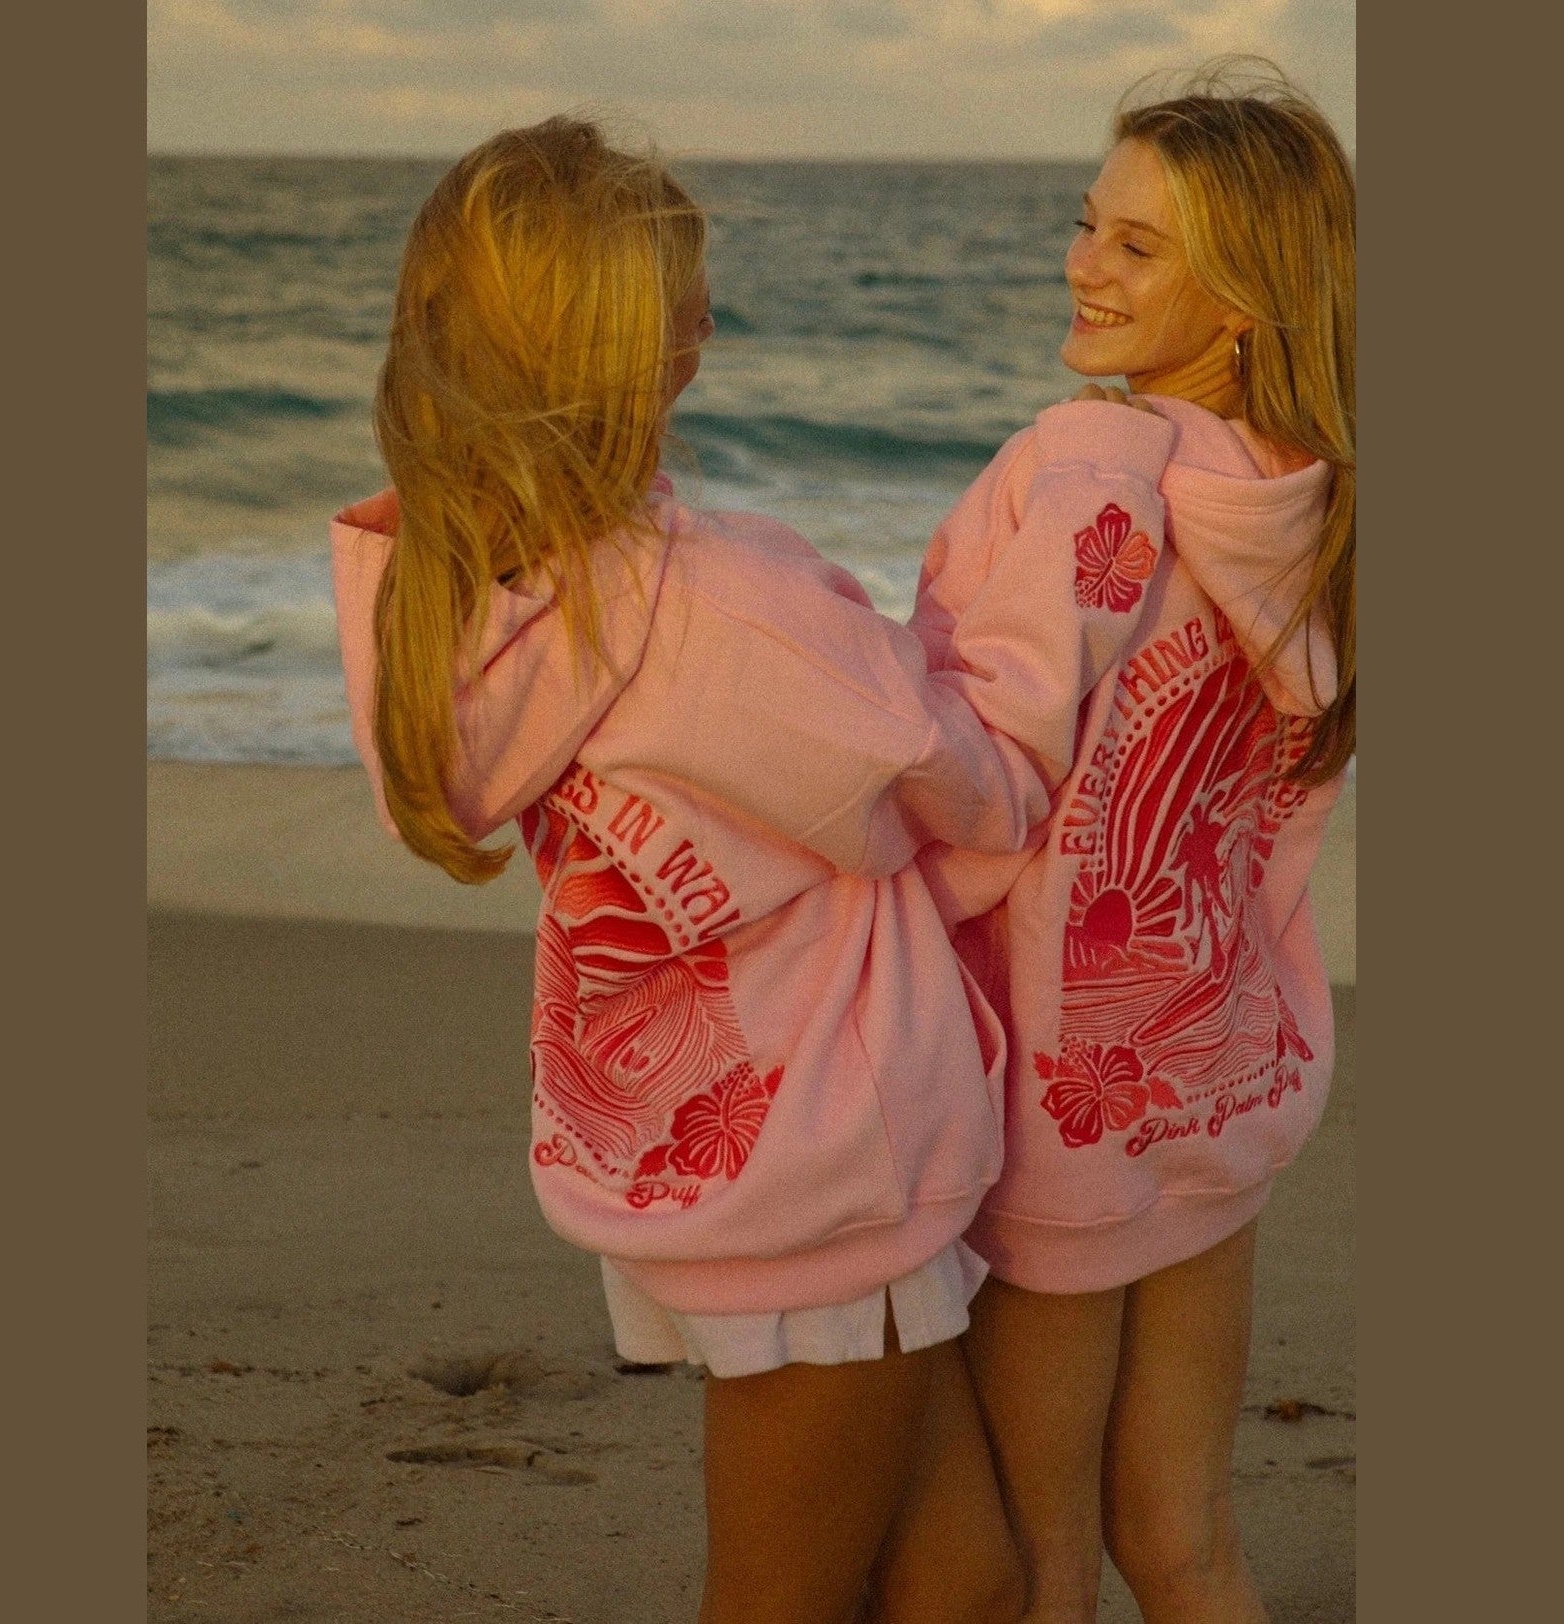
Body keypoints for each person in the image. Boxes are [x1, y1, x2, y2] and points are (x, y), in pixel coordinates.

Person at [330, 117, 1189, 1623]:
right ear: (620, 353)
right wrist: (1091, 482)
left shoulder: (471, 596)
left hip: (701, 1149)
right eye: (688, 307)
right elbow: (985, 784)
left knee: (967, 1588)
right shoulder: (719, 610)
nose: (711, 332)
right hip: (821, 1176)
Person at [900, 59, 1355, 1623]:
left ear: (1247, 299)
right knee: (1185, 1542)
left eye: (1138, 246)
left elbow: (977, 779)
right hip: (1210, 1072)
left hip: (1055, 1111)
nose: (1082, 264)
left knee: (1042, 1569)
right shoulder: (1310, 504)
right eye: (1087, 223)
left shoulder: (1085, 471)